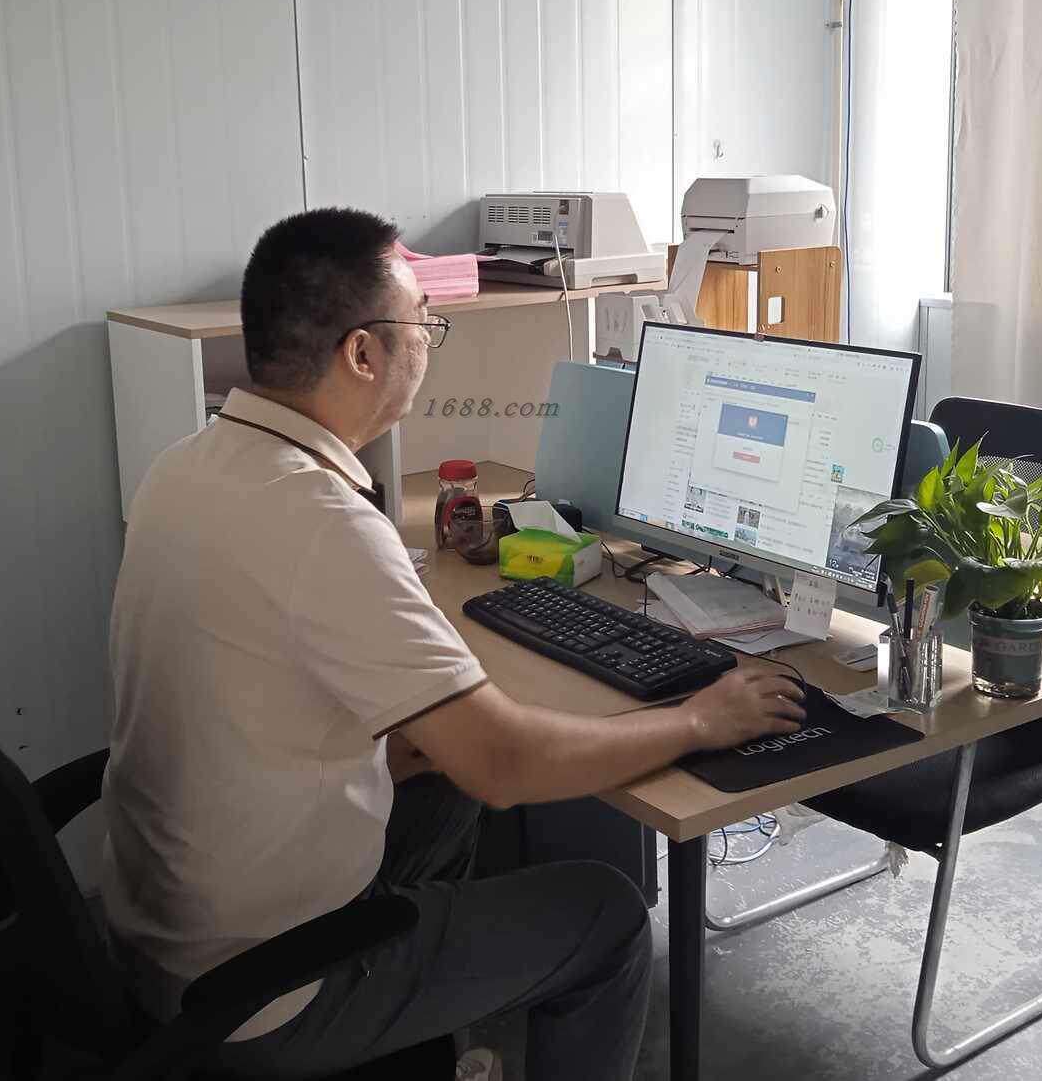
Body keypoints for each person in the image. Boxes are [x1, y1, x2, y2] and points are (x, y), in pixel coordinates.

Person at [101, 207, 806, 1080]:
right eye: (423, 327)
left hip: (161, 933)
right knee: (609, 914)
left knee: (442, 779)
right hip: (265, 989)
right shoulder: (320, 518)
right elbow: (505, 763)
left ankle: (431, 1027)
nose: (429, 345)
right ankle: (393, 1000)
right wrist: (699, 721)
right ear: (364, 354)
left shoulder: (185, 465)